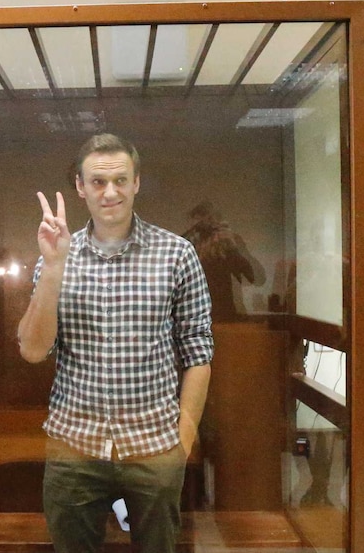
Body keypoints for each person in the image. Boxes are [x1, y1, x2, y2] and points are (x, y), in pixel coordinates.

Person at [17, 134, 214, 553]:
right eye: (98, 182)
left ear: (136, 182)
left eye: (121, 180)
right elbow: (33, 351)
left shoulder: (176, 254)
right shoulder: (55, 258)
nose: (111, 192)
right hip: (74, 445)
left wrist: (184, 440)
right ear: (80, 186)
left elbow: (198, 351)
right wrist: (53, 269)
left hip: (154, 446)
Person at [182, 200, 265, 322]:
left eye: (210, 219)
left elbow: (258, 279)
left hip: (226, 317)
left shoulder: (229, 242)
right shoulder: (187, 245)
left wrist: (233, 248)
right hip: (196, 319)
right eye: (199, 222)